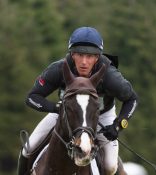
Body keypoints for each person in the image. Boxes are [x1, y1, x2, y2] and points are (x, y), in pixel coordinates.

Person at [17, 26, 138, 175]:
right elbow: (32, 97)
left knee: (110, 166)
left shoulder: (110, 76)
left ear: (97, 57)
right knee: (28, 149)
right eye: (79, 55)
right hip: (66, 113)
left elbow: (132, 99)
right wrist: (57, 108)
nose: (84, 62)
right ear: (72, 54)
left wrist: (118, 125)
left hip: (101, 116)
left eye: (90, 56)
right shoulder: (59, 69)